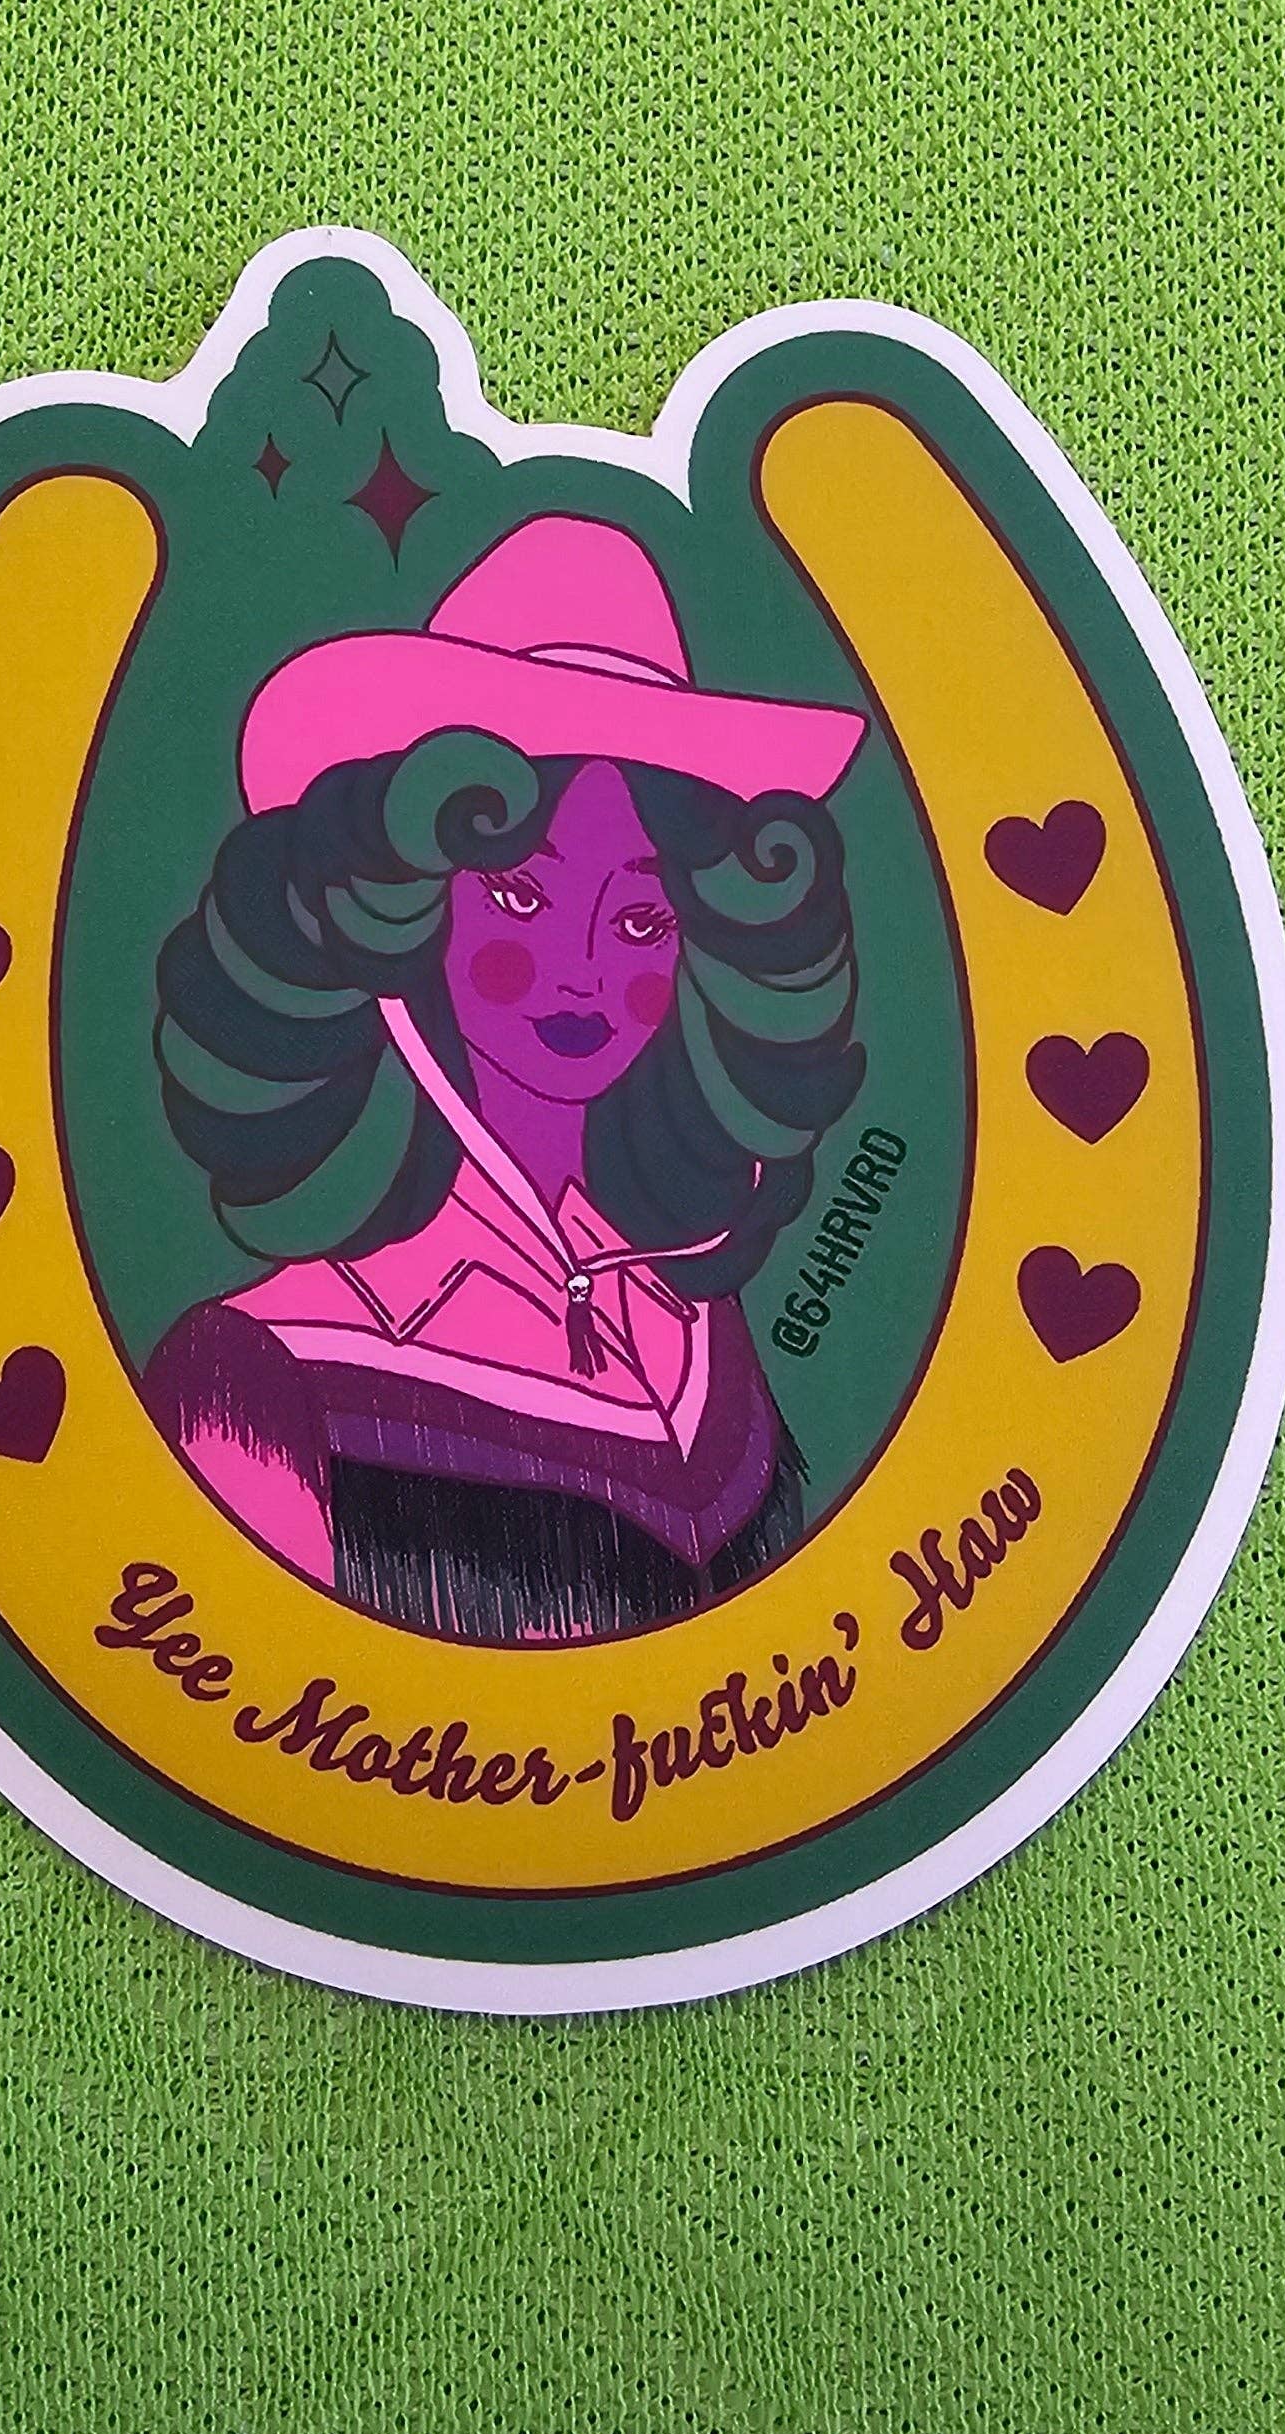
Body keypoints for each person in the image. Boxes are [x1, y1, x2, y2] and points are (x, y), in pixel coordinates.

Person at [140, 514, 868, 1642]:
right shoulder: (267, 1374)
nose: (582, 972)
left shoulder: (695, 1325)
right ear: (403, 910)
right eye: (521, 897)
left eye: (641, 919)